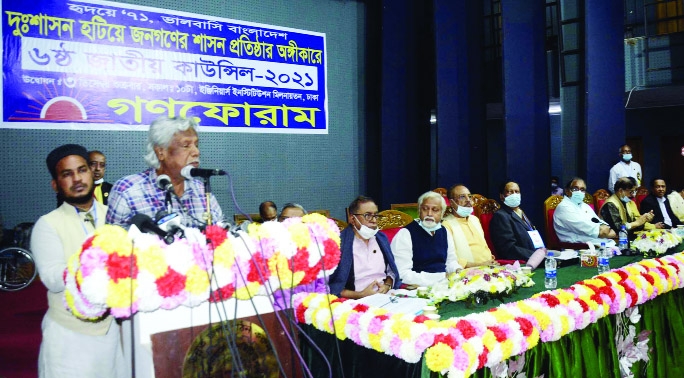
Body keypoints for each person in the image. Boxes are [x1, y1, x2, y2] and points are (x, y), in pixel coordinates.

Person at [30, 144, 125, 377]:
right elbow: (53, 278)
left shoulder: (113, 215)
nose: (77, 179)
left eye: (82, 170)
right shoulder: (48, 224)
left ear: (92, 174)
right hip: (68, 336)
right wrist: (96, 264)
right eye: (67, 174)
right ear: (56, 184)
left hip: (114, 331)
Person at [106, 117, 224, 228]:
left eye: (196, 145)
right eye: (186, 145)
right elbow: (110, 244)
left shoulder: (202, 191)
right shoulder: (128, 191)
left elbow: (221, 236)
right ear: (161, 152)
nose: (196, 152)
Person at [328, 196, 401, 298]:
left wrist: (387, 285)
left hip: (385, 296)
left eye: (376, 215)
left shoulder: (381, 238)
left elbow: (391, 272)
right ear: (352, 219)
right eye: (368, 215)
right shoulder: (339, 243)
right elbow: (332, 286)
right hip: (354, 300)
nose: (374, 220)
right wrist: (360, 295)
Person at [390, 191, 461, 287]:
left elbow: (450, 261)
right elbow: (402, 274)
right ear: (419, 211)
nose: (429, 214)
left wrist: (457, 270)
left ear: (442, 213)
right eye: (425, 209)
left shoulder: (444, 231)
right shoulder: (406, 234)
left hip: (445, 285)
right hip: (418, 288)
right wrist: (439, 277)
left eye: (435, 210)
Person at [490, 181, 546, 261]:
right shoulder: (501, 216)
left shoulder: (520, 212)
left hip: (537, 254)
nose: (514, 194)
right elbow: (508, 248)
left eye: (517, 192)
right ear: (502, 196)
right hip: (522, 260)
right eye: (510, 192)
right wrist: (536, 255)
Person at [442, 184, 496, 267]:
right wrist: (480, 265)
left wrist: (490, 259)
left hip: (490, 267)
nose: (468, 200)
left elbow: (484, 247)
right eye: (462, 197)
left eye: (469, 196)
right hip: (467, 272)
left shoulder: (475, 220)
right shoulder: (446, 225)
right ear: (452, 203)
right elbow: (451, 260)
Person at [553, 177, 617, 246]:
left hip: (598, 242)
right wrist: (608, 232)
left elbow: (600, 223)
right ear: (567, 191)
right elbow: (601, 232)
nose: (579, 192)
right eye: (575, 189)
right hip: (579, 247)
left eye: (582, 190)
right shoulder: (564, 207)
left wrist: (606, 230)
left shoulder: (584, 205)